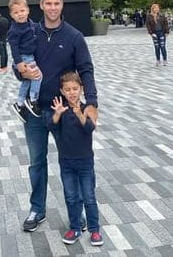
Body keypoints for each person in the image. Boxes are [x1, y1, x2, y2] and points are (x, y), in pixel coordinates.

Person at [18, 0, 98, 233]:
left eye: (57, 4)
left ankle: (77, 217)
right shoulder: (30, 33)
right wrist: (19, 70)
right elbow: (19, 63)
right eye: (48, 4)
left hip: (66, 113)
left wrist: (92, 103)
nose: (52, 8)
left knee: (73, 161)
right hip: (35, 112)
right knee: (36, 162)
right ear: (40, 5)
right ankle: (37, 210)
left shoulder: (74, 36)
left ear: (62, 6)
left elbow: (86, 69)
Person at [48, 71, 103, 247]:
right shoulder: (61, 109)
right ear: (62, 91)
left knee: (88, 196)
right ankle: (75, 227)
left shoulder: (87, 108)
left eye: (75, 88)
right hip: (66, 162)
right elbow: (51, 128)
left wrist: (80, 114)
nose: (71, 92)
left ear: (81, 89)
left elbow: (89, 129)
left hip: (85, 162)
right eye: (67, 89)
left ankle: (94, 230)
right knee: (71, 197)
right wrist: (56, 114)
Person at [7, 0, 43, 121]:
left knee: (27, 81)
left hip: (30, 56)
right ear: (12, 15)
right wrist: (19, 63)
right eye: (16, 12)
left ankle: (20, 103)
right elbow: (14, 48)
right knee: (37, 76)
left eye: (22, 11)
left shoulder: (32, 24)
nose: (20, 14)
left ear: (27, 10)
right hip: (24, 57)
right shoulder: (14, 30)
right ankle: (33, 100)